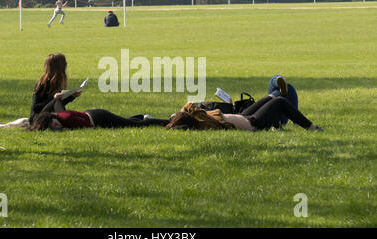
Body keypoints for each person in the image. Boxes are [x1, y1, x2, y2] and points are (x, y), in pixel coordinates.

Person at [167, 95, 323, 132]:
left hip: (244, 116)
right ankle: (310, 127)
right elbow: (189, 104)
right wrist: (180, 114)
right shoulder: (202, 120)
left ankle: (282, 122)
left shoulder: (199, 120)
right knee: (280, 101)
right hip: (252, 123)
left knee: (271, 97)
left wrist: (175, 120)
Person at [30, 99, 169, 131]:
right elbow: (56, 102)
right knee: (125, 122)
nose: (58, 127)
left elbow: (89, 127)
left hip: (99, 118)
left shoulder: (66, 120)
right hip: (94, 113)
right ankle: (141, 116)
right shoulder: (58, 115)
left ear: (53, 118)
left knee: (135, 126)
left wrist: (67, 130)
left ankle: (168, 121)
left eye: (56, 125)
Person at [29, 53, 81, 125]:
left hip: (49, 115)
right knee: (57, 100)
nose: (66, 65)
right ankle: (66, 121)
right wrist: (54, 98)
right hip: (37, 118)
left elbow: (57, 105)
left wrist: (72, 96)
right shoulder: (42, 83)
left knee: (57, 101)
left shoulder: (57, 82)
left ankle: (66, 120)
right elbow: (36, 108)